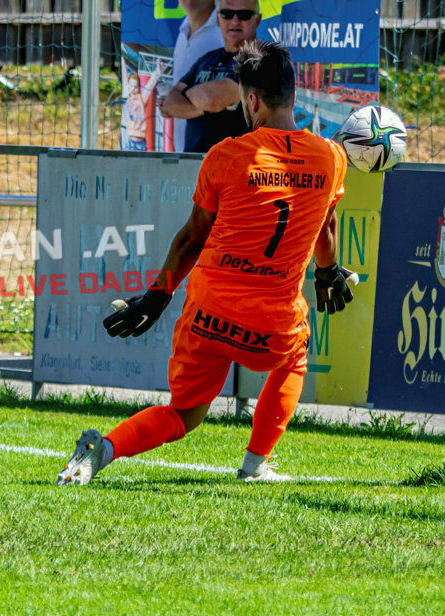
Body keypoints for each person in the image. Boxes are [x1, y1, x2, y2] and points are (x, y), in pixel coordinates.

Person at [57, 40, 357, 485]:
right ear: (294, 96)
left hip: (208, 318)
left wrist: (158, 296)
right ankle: (255, 464)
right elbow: (327, 231)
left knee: (183, 415)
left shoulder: (227, 155)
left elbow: (191, 239)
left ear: (250, 100)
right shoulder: (332, 158)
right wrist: (329, 271)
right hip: (271, 329)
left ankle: (105, 449)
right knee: (293, 354)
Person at [161, 0, 261, 153]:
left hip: (236, 168)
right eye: (227, 14)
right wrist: (206, 106)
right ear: (218, 19)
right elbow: (170, 104)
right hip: (195, 167)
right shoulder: (207, 59)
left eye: (244, 15)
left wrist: (188, 97)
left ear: (257, 20)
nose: (235, 21)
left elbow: (210, 98)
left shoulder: (260, 61)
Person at [168, 0, 223, 153]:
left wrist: (177, 104)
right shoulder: (182, 33)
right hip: (186, 155)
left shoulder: (225, 34)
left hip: (215, 159)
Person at [121, 66, 161, 151]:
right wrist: (122, 58)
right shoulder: (127, 97)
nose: (133, 89)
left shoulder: (141, 99)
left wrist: (157, 72)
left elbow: (149, 86)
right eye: (131, 86)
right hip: (130, 139)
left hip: (140, 141)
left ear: (139, 87)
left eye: (136, 87)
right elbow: (124, 78)